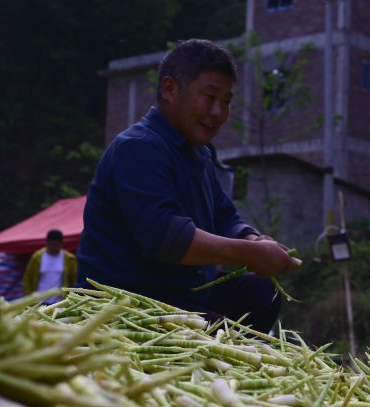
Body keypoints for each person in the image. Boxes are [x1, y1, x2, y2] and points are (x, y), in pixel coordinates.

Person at [76, 39, 299, 333]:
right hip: (130, 303)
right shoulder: (138, 148)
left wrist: (253, 240)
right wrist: (247, 254)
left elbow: (224, 217)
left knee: (262, 292)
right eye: (210, 97)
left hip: (182, 298)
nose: (218, 112)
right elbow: (167, 238)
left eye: (227, 101)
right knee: (218, 331)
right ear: (169, 89)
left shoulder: (200, 155)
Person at [23, 229, 77, 304]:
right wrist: (29, 296)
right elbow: (27, 277)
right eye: (52, 245)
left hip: (59, 301)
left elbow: (73, 279)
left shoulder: (69, 258)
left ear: (61, 244)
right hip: (38, 301)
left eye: (56, 245)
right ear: (47, 243)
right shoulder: (37, 257)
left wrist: (69, 296)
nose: (54, 247)